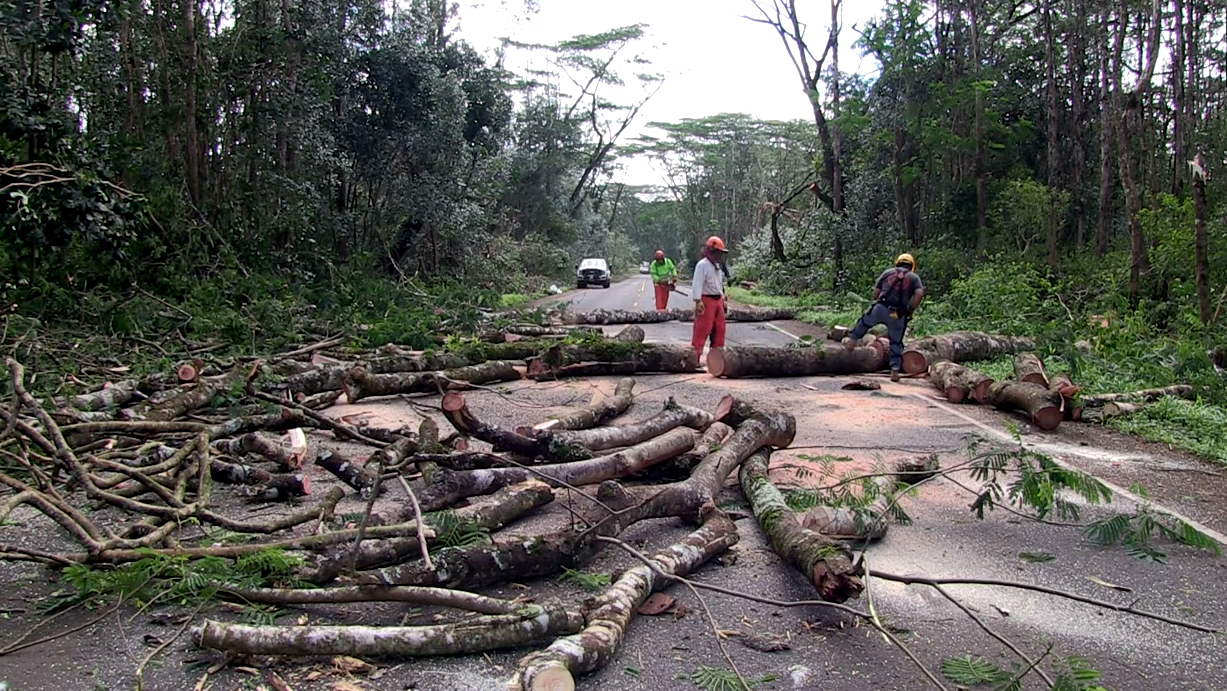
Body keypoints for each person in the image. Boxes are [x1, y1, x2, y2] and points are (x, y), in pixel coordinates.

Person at [843, 253, 925, 382]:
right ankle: (895, 370)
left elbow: (875, 293)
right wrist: (911, 309)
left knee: (864, 322)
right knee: (896, 341)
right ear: (912, 265)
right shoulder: (914, 278)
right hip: (897, 314)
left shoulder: (888, 272)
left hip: (880, 308)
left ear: (898, 262)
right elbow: (919, 294)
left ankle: (852, 341)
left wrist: (877, 299)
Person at [691, 236, 729, 361]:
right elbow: (697, 283)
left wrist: (723, 298)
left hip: (718, 300)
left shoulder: (717, 266)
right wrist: (697, 301)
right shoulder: (702, 265)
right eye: (718, 253)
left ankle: (717, 360)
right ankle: (694, 358)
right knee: (702, 329)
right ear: (711, 251)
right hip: (706, 300)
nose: (719, 256)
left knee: (720, 329)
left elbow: (719, 283)